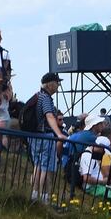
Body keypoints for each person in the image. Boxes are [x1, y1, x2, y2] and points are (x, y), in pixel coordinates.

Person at [30, 73, 68, 203]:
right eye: (57, 83)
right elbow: (49, 116)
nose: (58, 86)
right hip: (44, 135)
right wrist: (59, 134)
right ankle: (43, 197)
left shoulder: (38, 96)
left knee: (38, 165)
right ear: (50, 84)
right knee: (45, 167)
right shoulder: (45, 98)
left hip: (34, 135)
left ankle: (34, 194)